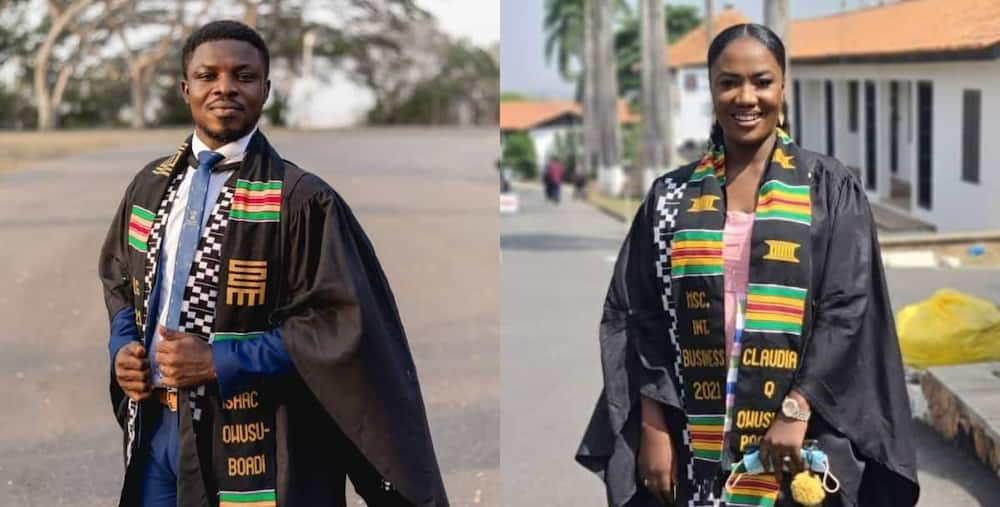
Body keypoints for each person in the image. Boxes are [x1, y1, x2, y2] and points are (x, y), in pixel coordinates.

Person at [98, 20, 448, 507]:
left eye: (243, 76)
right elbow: (120, 281)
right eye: (208, 76)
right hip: (158, 430)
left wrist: (218, 360)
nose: (225, 87)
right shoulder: (150, 187)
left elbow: (340, 327)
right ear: (186, 89)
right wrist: (123, 348)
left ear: (265, 90)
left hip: (259, 440)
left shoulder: (302, 201)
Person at [576, 24, 919, 506]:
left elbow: (848, 309)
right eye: (728, 81)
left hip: (804, 438)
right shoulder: (671, 199)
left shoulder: (827, 189)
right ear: (712, 88)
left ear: (783, 86)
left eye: (761, 81)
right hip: (694, 441)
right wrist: (653, 426)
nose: (746, 96)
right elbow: (640, 316)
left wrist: (797, 407)